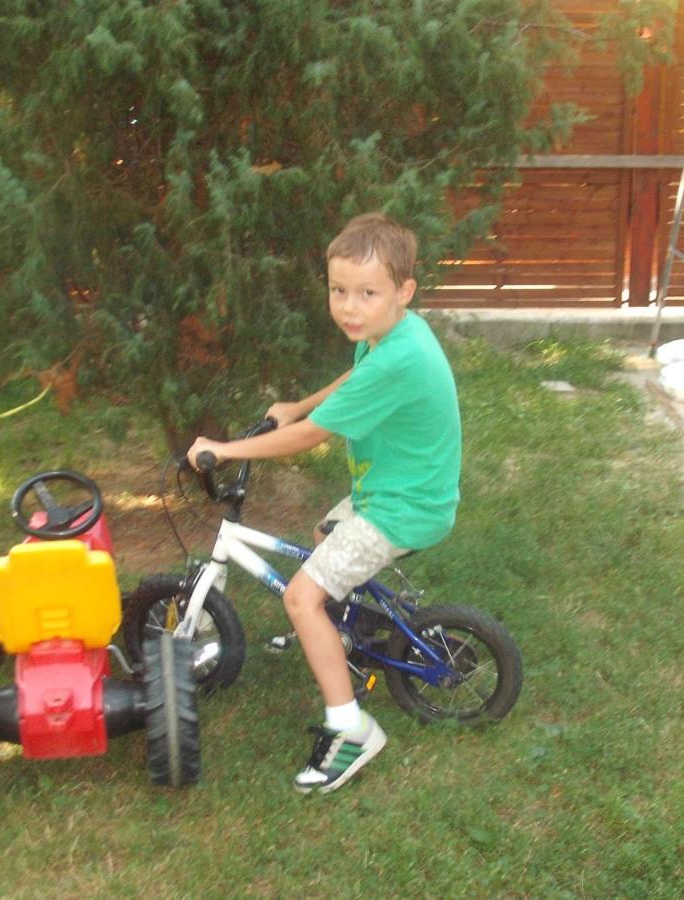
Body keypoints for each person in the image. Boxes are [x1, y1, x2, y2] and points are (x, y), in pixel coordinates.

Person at [187, 212, 462, 793]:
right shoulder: (392, 334)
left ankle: (353, 730)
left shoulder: (398, 357)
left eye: (367, 293)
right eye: (339, 291)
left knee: (300, 596)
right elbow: (349, 383)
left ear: (404, 291)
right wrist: (297, 403)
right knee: (320, 537)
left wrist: (226, 449)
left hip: (400, 509)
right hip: (395, 492)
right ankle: (348, 632)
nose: (350, 307)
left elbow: (312, 438)